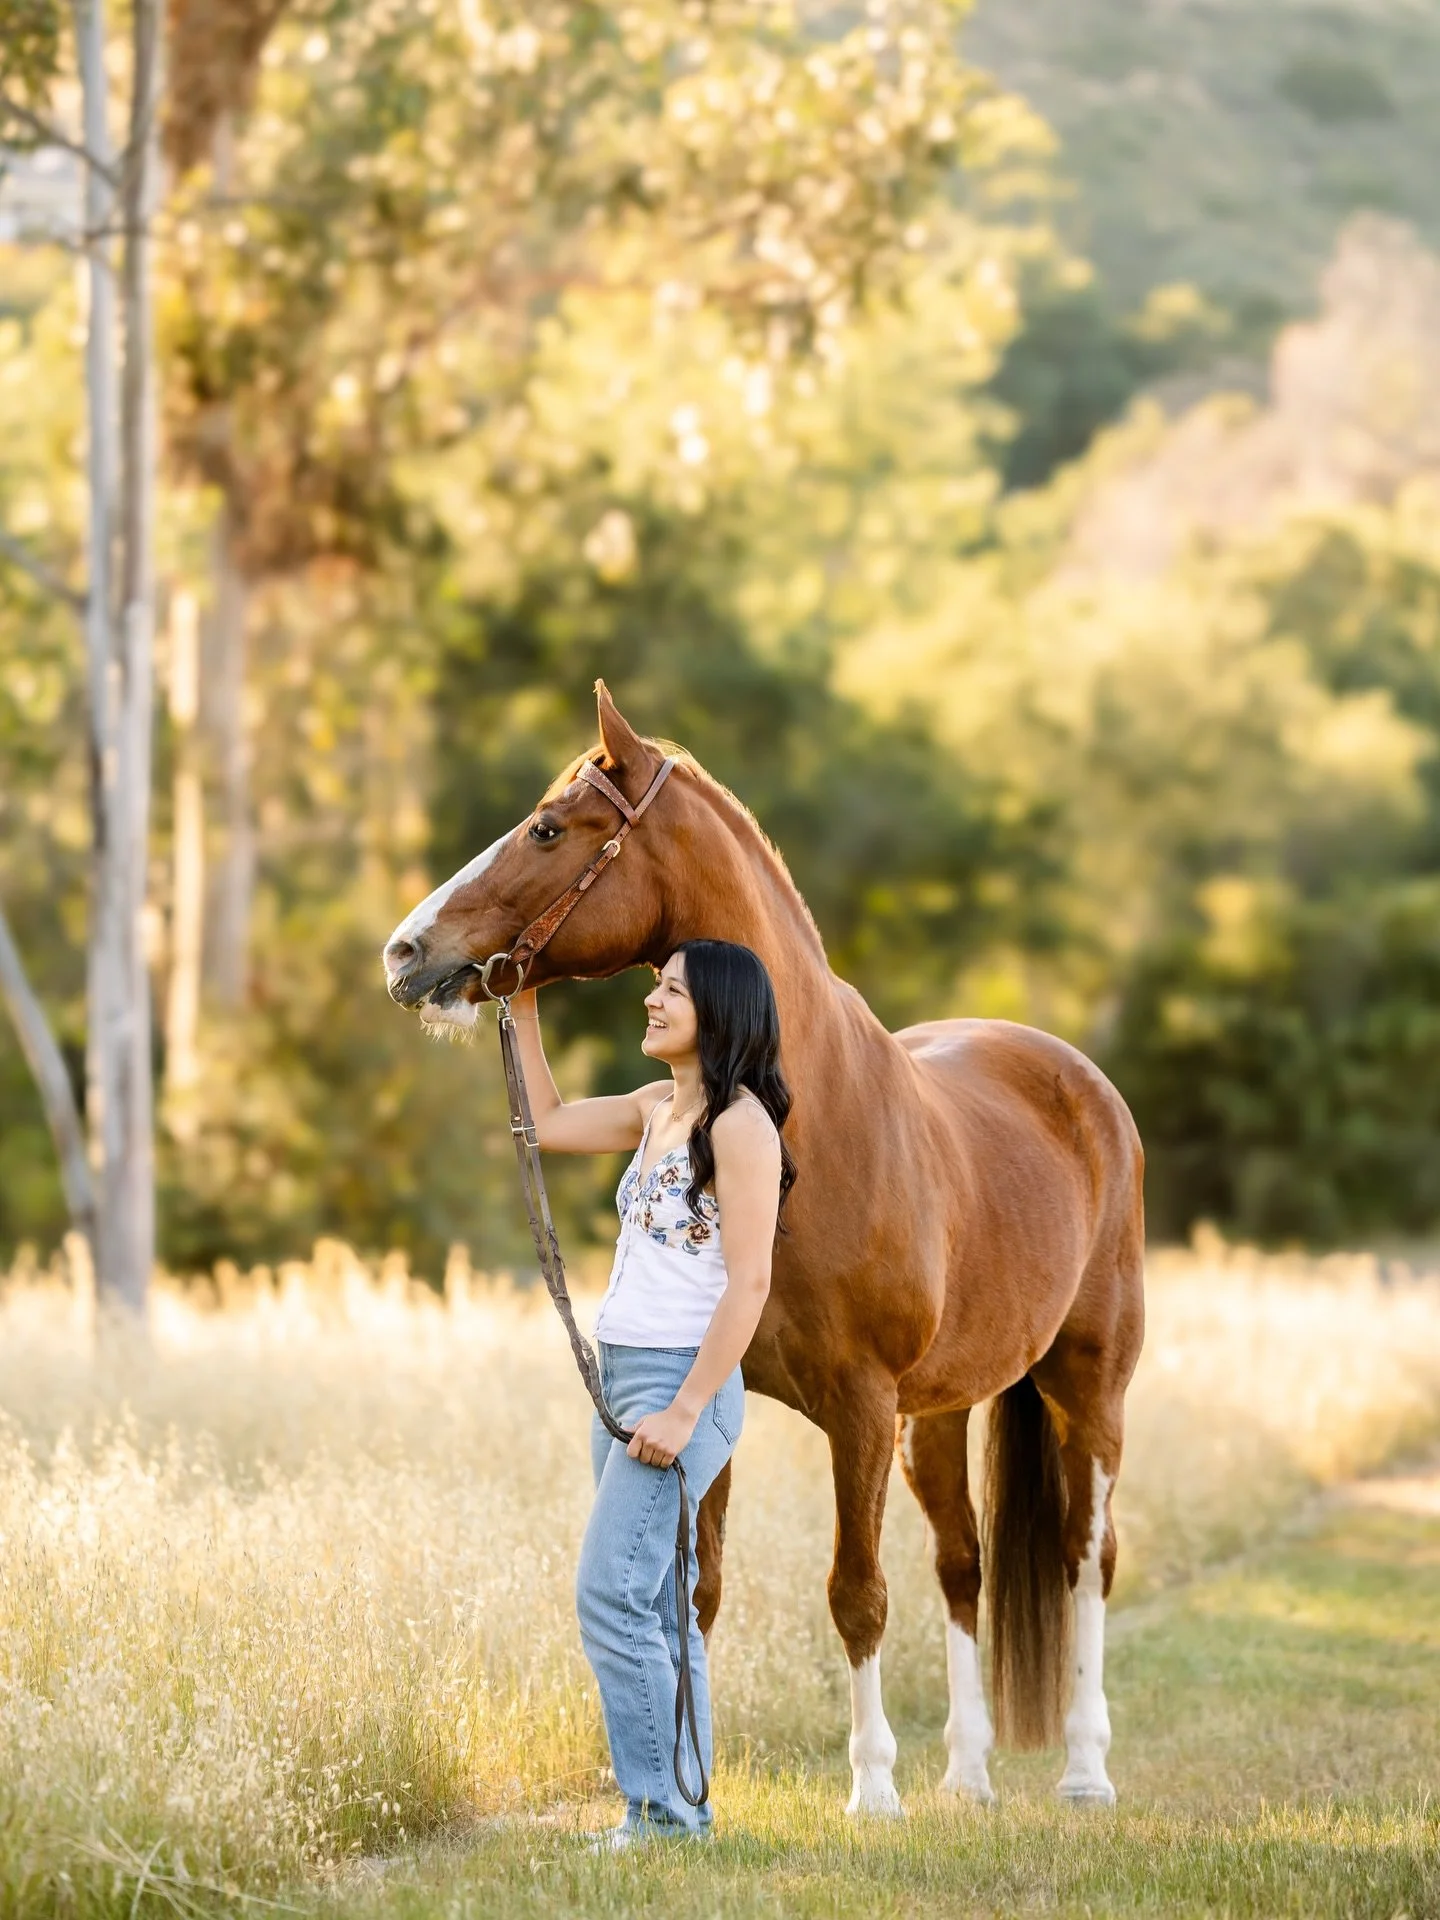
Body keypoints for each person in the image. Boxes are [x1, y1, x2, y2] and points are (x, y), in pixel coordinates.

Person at [508, 938, 795, 1845]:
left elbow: (749, 1283)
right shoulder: (652, 1108)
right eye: (655, 988)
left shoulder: (742, 1127)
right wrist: (519, 1007)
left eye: (672, 991)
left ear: (720, 1008)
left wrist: (683, 1407)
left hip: (683, 1383)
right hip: (624, 1374)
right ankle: (684, 1808)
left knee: (611, 1594)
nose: (652, 1002)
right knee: (664, 1603)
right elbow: (544, 1123)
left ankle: (659, 1815)